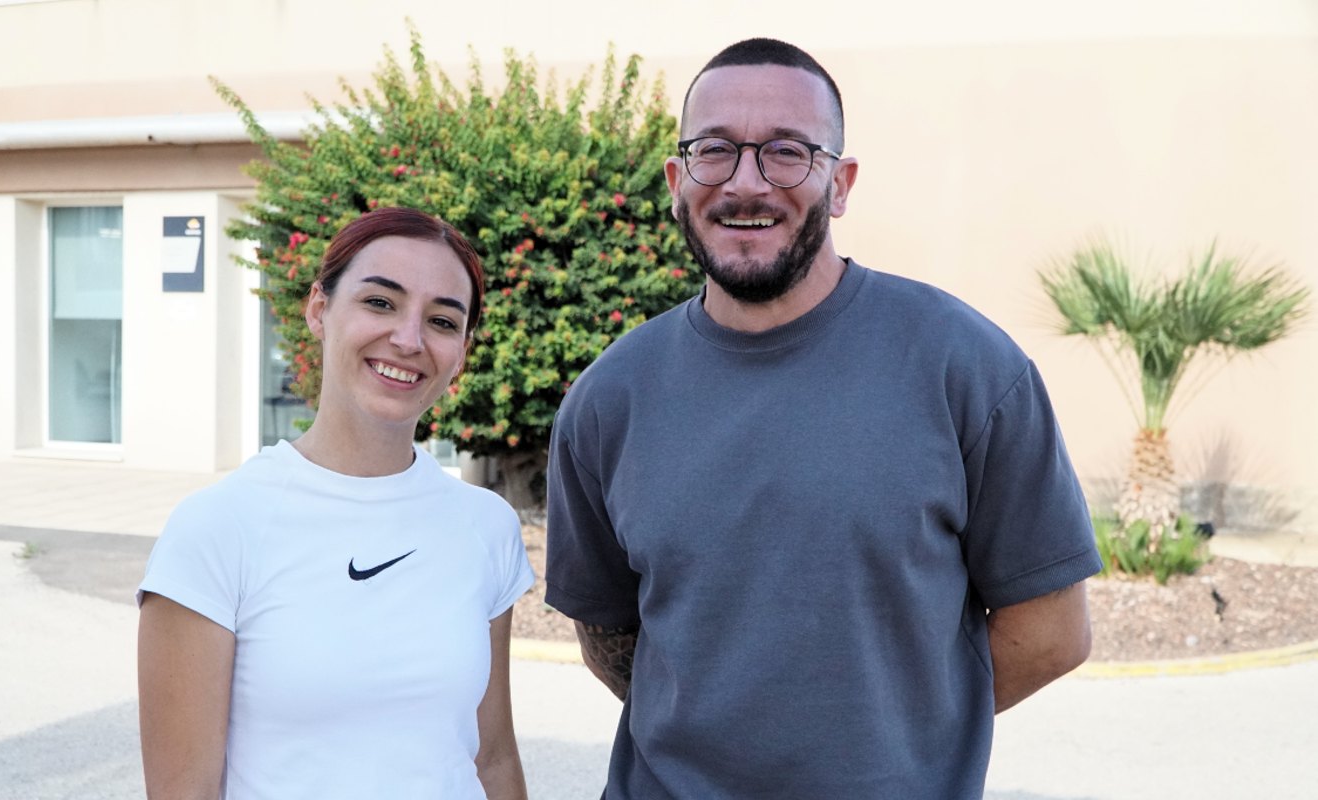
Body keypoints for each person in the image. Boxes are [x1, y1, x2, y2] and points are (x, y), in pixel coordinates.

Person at [545, 38, 1101, 799]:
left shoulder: (965, 367)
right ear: (678, 180)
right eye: (715, 151)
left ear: (840, 184)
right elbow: (609, 639)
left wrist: (901, 735)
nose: (747, 183)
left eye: (787, 153)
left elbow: (1052, 634)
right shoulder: (609, 398)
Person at [138, 207, 534, 800]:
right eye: (380, 302)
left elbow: (494, 757)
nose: (408, 339)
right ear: (319, 309)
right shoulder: (217, 529)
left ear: (461, 353)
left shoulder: (487, 527)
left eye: (443, 321)